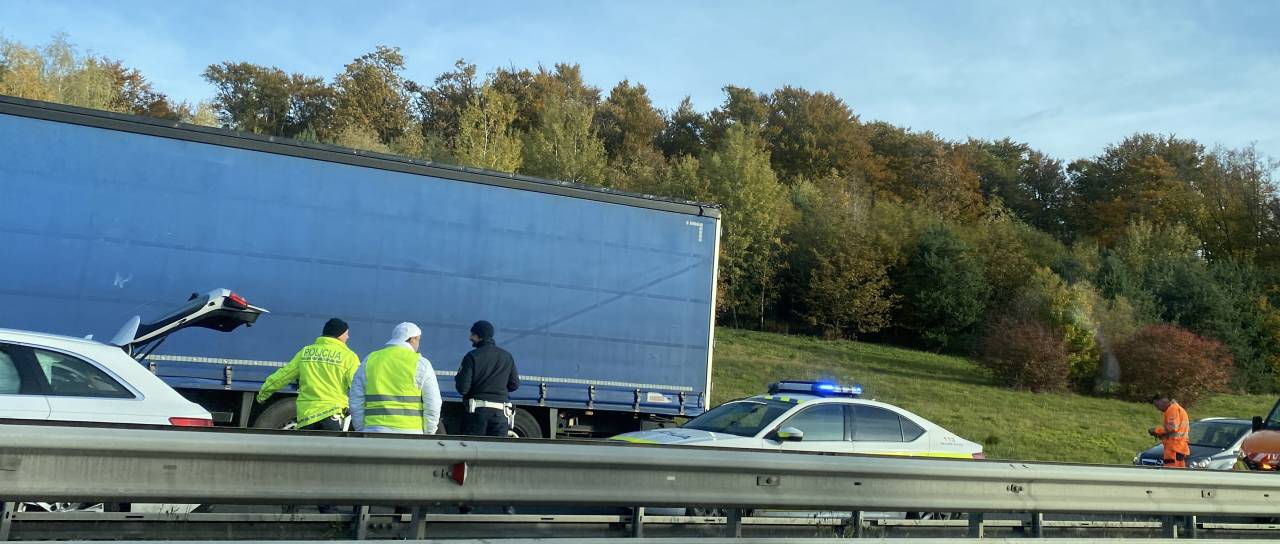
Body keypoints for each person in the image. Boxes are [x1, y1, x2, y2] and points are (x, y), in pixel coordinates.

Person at [257, 318, 360, 431]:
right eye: (346, 334)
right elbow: (357, 385)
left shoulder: (305, 352)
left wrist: (263, 394)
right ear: (339, 335)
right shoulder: (349, 357)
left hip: (307, 416)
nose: (348, 337)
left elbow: (283, 376)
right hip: (332, 413)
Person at [349, 322, 442, 435]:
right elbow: (433, 403)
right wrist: (429, 433)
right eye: (418, 340)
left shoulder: (370, 360)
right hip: (411, 433)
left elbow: (356, 400)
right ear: (413, 339)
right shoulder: (421, 363)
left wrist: (361, 429)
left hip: (374, 431)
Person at [455, 320, 520, 437]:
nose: (470, 338)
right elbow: (514, 384)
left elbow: (462, 388)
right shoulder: (507, 356)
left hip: (477, 413)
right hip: (501, 413)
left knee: (474, 447)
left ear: (480, 336)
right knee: (497, 448)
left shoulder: (472, 356)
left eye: (473, 334)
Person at [1149, 395, 1190, 468]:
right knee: (1178, 471)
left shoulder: (1172, 409)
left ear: (1162, 401)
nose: (1157, 408)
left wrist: (1156, 430)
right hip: (1179, 447)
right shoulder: (1177, 408)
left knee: (1170, 471)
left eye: (1157, 405)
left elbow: (1172, 428)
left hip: (1173, 448)